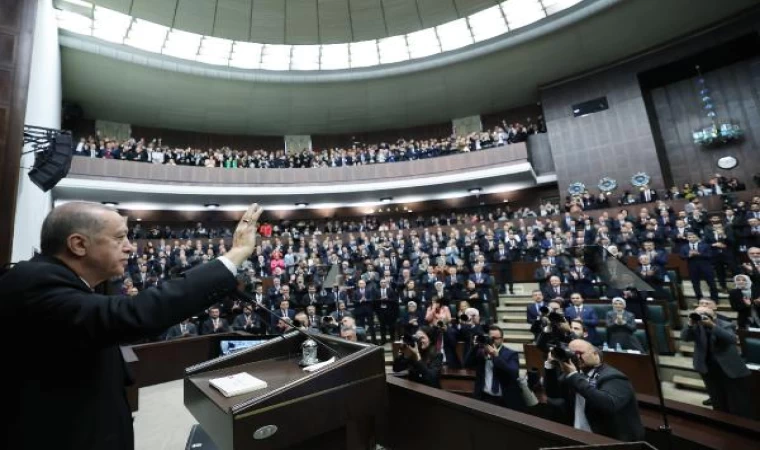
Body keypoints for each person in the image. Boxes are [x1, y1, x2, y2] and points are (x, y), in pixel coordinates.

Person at [0, 201, 263, 450]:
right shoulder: (35, 284)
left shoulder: (60, 281)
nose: (130, 247)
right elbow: (135, 314)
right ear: (79, 244)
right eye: (119, 238)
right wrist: (236, 254)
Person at [544, 339, 645, 441]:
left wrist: (573, 375)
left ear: (595, 354)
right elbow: (553, 394)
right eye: (571, 353)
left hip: (611, 441)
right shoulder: (576, 375)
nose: (576, 357)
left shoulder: (614, 377)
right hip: (580, 435)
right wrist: (550, 365)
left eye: (579, 353)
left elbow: (609, 404)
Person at [681, 304, 755, 419]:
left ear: (713, 315)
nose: (701, 317)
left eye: (704, 315)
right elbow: (685, 337)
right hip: (707, 367)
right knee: (717, 399)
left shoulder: (726, 324)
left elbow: (731, 339)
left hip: (728, 368)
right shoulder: (696, 326)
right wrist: (690, 323)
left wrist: (712, 326)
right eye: (698, 314)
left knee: (736, 402)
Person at [465, 325, 525, 411]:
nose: (492, 340)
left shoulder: (511, 354)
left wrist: (496, 356)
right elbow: (466, 364)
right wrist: (475, 347)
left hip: (504, 400)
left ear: (502, 339)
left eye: (495, 338)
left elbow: (513, 373)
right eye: (490, 338)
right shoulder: (481, 352)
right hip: (484, 397)